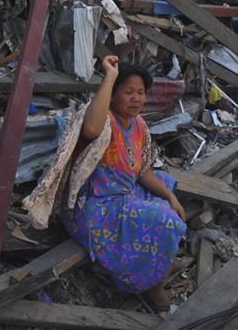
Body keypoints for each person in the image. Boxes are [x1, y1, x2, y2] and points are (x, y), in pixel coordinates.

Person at [61, 55, 187, 311]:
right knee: (167, 220)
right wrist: (109, 75)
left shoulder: (139, 125)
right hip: (96, 208)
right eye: (128, 92)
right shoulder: (105, 120)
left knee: (167, 185)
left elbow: (143, 172)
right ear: (113, 94)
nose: (136, 98)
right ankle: (150, 282)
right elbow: (90, 130)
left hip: (125, 195)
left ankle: (158, 264)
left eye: (140, 93)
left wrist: (171, 197)